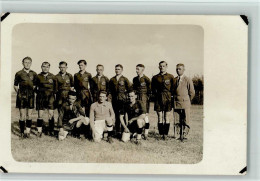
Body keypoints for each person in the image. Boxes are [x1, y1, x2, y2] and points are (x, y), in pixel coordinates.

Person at [14, 57, 37, 139]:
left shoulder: (34, 73)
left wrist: (30, 93)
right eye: (25, 62)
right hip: (21, 96)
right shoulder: (19, 73)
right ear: (22, 63)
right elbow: (15, 86)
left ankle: (28, 132)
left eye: (29, 62)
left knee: (29, 115)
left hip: (30, 96)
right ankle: (22, 133)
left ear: (31, 63)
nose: (27, 64)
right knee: (22, 115)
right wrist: (20, 94)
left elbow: (34, 85)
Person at [151, 61, 174, 140]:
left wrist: (170, 96)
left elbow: (173, 89)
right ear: (158, 67)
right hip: (158, 98)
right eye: (160, 66)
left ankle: (166, 134)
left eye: (163, 66)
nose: (162, 67)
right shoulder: (155, 77)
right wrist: (157, 94)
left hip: (168, 98)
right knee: (160, 117)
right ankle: (161, 134)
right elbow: (153, 89)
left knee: (166, 117)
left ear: (166, 67)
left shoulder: (171, 76)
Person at [173, 63, 195, 140]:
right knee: (177, 119)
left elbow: (192, 92)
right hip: (176, 102)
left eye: (180, 69)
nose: (178, 70)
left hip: (185, 102)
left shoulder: (188, 79)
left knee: (186, 120)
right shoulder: (174, 79)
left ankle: (185, 135)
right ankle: (178, 134)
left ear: (183, 70)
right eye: (177, 69)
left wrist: (187, 100)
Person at [35, 62, 57, 137]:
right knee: (40, 114)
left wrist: (51, 94)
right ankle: (39, 131)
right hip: (40, 97)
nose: (45, 68)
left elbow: (56, 89)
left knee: (51, 114)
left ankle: (51, 131)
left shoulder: (53, 76)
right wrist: (40, 93)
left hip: (50, 97)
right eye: (44, 66)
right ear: (41, 67)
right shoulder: (38, 76)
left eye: (47, 67)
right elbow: (35, 88)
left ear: (49, 68)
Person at [109, 64, 131, 137]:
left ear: (122, 70)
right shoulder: (112, 79)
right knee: (116, 116)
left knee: (122, 116)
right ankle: (117, 131)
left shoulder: (125, 79)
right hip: (115, 100)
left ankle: (123, 131)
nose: (117, 70)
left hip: (123, 100)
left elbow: (129, 90)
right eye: (116, 69)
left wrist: (127, 98)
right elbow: (109, 91)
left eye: (118, 69)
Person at [132, 64, 151, 140]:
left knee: (145, 115)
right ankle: (137, 131)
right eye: (136, 69)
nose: (136, 71)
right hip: (137, 98)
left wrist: (146, 99)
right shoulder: (135, 79)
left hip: (144, 99)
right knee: (137, 115)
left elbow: (149, 91)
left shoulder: (146, 79)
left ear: (143, 70)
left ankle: (146, 133)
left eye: (138, 69)